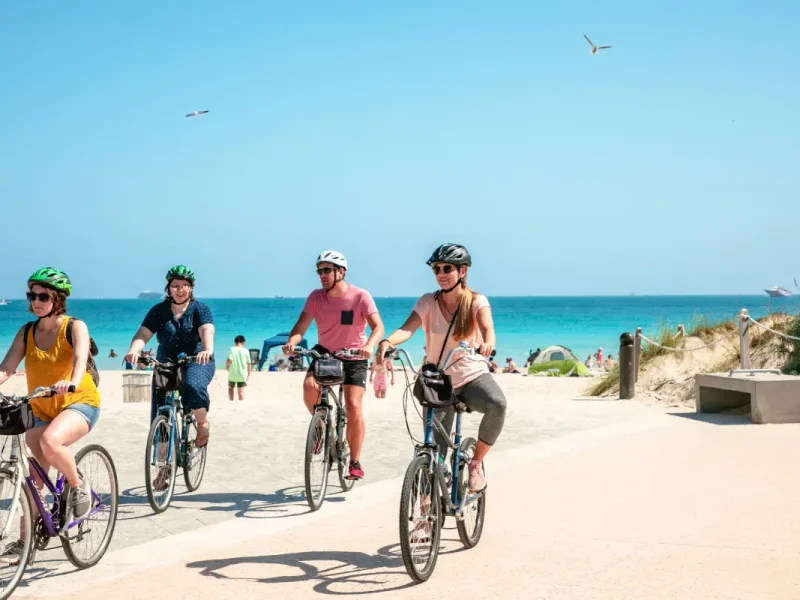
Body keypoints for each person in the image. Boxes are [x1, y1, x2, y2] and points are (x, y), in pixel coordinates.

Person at [377, 243, 507, 492]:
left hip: (470, 376)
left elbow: (488, 328)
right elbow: (407, 328)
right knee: (435, 450)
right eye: (436, 269)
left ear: (463, 271)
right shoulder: (427, 301)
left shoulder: (476, 301)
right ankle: (427, 508)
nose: (441, 274)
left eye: (447, 268)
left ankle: (476, 462)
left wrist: (488, 344)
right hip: (437, 382)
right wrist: (387, 342)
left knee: (497, 404)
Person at [0, 268, 100, 560]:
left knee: (51, 443)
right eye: (32, 295)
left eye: (43, 296)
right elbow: (6, 368)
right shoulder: (27, 331)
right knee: (33, 478)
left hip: (78, 401)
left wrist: (70, 380)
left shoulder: (74, 326)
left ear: (58, 299)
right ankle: (26, 541)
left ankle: (78, 486)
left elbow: (81, 358)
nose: (36, 301)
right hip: (41, 407)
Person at [283, 251, 385, 481]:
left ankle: (355, 461)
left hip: (354, 354)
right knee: (310, 387)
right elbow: (301, 327)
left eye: (327, 270)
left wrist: (369, 345)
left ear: (341, 272)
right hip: (326, 352)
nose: (322, 275)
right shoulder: (316, 297)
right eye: (319, 271)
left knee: (353, 405)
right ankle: (320, 427)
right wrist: (291, 342)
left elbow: (378, 327)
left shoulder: (361, 296)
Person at [124, 265, 214, 447]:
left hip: (196, 359)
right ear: (168, 288)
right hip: (166, 360)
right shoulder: (159, 310)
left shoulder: (200, 309)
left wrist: (207, 349)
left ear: (191, 288)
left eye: (184, 285)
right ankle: (162, 461)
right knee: (159, 409)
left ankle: (202, 423)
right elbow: (143, 334)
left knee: (193, 385)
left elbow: (207, 329)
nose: (180, 290)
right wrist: (134, 350)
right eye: (175, 285)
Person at [226, 335, 251, 401]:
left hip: (233, 374)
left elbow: (229, 360)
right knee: (241, 391)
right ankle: (241, 404)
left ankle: (231, 401)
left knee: (231, 388)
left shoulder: (232, 349)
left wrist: (226, 366)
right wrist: (249, 374)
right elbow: (249, 363)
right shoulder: (246, 351)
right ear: (243, 342)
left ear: (235, 342)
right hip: (242, 374)